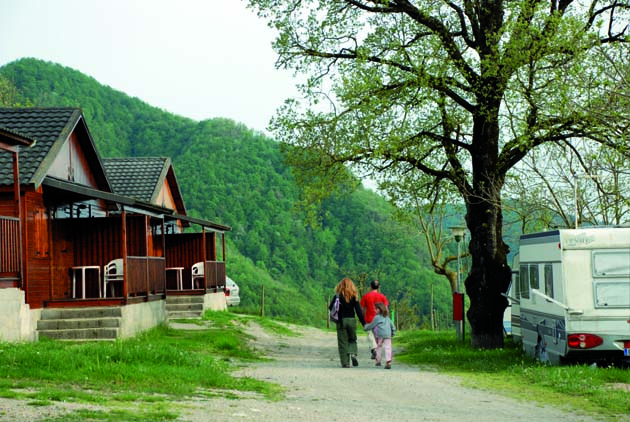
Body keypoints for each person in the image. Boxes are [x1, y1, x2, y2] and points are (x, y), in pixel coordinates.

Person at [329, 277, 366, 368]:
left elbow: (330, 307)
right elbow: (358, 311)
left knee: (342, 342)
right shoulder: (354, 296)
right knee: (352, 339)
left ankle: (345, 363)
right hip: (351, 320)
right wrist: (364, 323)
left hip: (341, 320)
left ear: (340, 285)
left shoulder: (337, 296)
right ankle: (353, 353)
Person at [360, 279, 389, 359]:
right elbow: (386, 309)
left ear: (370, 287)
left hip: (369, 319)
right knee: (378, 336)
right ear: (378, 287)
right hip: (380, 320)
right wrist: (387, 319)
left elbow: (362, 309)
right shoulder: (382, 296)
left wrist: (362, 318)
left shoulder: (366, 296)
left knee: (370, 335)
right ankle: (378, 352)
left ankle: (374, 349)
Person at [363, 302, 396, 369]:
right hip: (388, 335)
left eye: (375, 309)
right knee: (388, 347)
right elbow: (392, 325)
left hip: (380, 335)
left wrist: (365, 328)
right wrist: (393, 332)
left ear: (379, 309)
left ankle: (378, 361)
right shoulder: (387, 317)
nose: (374, 310)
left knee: (379, 347)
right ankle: (388, 362)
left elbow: (372, 325)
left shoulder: (377, 317)